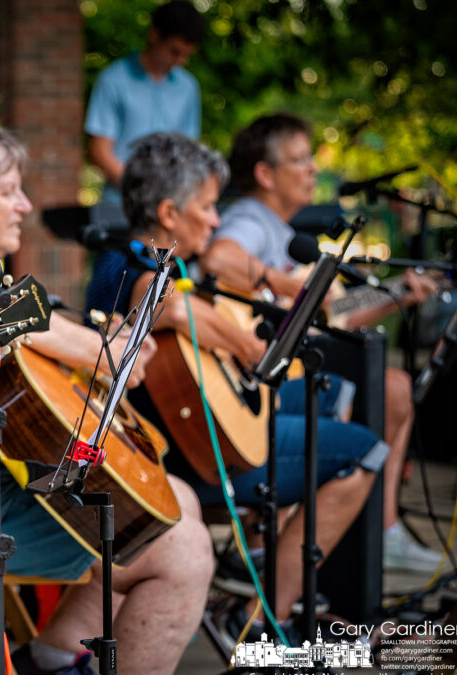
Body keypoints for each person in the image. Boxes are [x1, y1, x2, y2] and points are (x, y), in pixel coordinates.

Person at [0, 121, 214, 675]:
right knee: (183, 550)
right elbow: (0, 318)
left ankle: (54, 658)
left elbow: (15, 320)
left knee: (176, 503)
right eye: (8, 191)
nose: (26, 204)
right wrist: (109, 349)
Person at [83, 131, 389, 640]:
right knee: (365, 453)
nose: (216, 219)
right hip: (187, 456)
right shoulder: (129, 264)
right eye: (206, 207)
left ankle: (262, 570)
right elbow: (169, 307)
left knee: (326, 392)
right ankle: (268, 620)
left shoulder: (161, 262)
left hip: (202, 432)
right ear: (167, 214)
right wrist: (247, 349)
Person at [199, 112, 442, 574]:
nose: (313, 169)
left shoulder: (283, 231)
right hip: (256, 381)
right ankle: (311, 539)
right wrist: (287, 286)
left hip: (271, 378)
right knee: (386, 389)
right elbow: (220, 257)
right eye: (300, 160)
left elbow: (330, 317)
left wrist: (398, 295)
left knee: (387, 387)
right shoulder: (252, 219)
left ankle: (321, 537)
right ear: (265, 174)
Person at [84, 0, 205, 205]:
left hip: (170, 205)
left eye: (186, 55)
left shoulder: (188, 86)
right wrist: (140, 193)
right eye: (174, 51)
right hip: (121, 203)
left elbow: (188, 152)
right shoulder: (114, 79)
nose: (180, 61)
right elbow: (99, 151)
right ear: (155, 35)